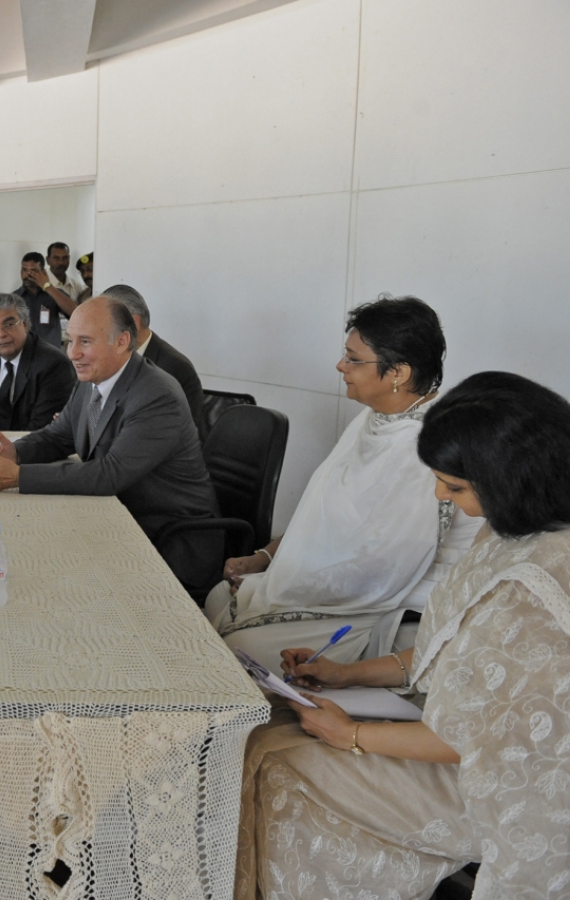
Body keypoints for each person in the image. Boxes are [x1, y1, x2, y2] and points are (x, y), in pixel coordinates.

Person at [236, 370, 570, 900]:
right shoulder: (508, 528)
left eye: (454, 486)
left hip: (493, 787)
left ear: (514, 475)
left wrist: (350, 736)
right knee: (265, 725)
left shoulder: (537, 585)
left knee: (279, 762)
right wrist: (345, 674)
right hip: (441, 730)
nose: (440, 493)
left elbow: (467, 740)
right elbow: (448, 652)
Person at [205, 295, 483, 669]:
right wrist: (265, 559)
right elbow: (322, 518)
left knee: (239, 645)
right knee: (219, 598)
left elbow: (382, 568)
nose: (340, 365)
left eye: (353, 359)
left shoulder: (424, 444)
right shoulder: (374, 419)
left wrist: (281, 586)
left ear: (398, 373)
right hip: (341, 585)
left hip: (390, 600)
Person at [0, 297, 219, 585]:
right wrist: (16, 452)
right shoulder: (92, 379)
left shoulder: (157, 395)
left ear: (121, 341)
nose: (72, 353)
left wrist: (18, 476)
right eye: (70, 341)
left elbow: (109, 474)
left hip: (167, 538)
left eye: (85, 342)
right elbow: (60, 436)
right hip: (114, 519)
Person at [100, 283, 205, 437]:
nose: (100, 332)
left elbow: (165, 435)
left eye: (105, 324)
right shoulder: (108, 358)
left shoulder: (174, 367)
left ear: (133, 323)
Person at [0, 291, 76, 432]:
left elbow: (42, 428)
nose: (1, 334)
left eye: (9, 324)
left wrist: (7, 449)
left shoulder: (53, 364)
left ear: (25, 324)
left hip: (27, 448)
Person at [15, 251, 71, 348]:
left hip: (51, 355)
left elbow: (74, 311)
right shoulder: (14, 298)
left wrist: (48, 286)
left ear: (43, 272)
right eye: (24, 270)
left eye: (33, 270)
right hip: (24, 354)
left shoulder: (54, 294)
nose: (28, 275)